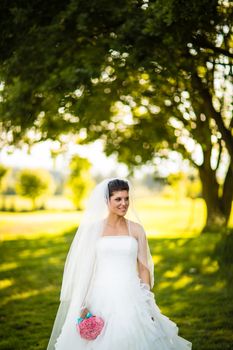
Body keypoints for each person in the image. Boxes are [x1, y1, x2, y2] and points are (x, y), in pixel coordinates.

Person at [47, 178, 192, 350]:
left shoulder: (137, 229)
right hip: (100, 295)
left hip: (132, 294)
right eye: (118, 199)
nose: (124, 203)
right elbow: (87, 269)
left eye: (126, 198)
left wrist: (146, 299)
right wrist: (83, 303)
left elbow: (144, 267)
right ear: (106, 201)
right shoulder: (94, 230)